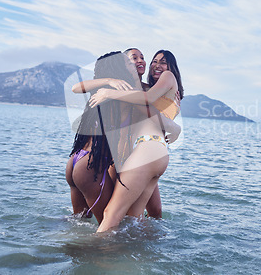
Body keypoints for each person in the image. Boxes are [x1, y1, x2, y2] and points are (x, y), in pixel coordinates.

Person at [72, 48, 181, 218]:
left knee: (149, 212)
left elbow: (149, 100)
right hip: (107, 162)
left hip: (111, 158)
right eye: (132, 59)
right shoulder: (121, 88)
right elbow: (76, 88)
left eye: (143, 57)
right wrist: (175, 127)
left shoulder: (134, 91)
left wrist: (168, 101)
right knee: (114, 219)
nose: (139, 61)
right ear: (123, 65)